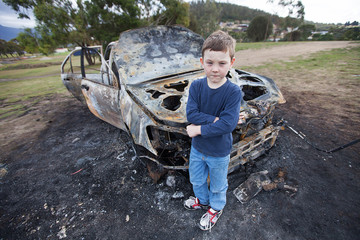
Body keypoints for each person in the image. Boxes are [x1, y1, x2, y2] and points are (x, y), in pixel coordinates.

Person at [184, 30, 243, 231]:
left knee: (218, 183)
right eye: (210, 63)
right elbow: (191, 114)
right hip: (198, 149)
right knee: (196, 178)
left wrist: (198, 129)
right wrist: (215, 120)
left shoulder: (233, 92)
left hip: (219, 151)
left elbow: (228, 125)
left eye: (222, 63)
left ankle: (216, 207)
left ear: (232, 62)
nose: (215, 69)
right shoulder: (197, 86)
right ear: (202, 61)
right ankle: (202, 200)